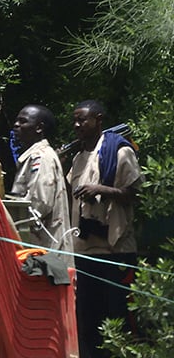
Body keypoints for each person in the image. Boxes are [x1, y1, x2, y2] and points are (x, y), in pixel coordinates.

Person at [67, 99, 142, 358]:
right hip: (85, 251)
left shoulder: (120, 152)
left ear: (99, 120)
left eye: (83, 120)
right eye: (74, 121)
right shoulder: (77, 158)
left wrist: (100, 190)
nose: (77, 125)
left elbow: (134, 194)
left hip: (115, 251)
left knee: (119, 319)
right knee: (87, 321)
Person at [9, 104, 74, 267]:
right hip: (37, 251)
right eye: (16, 121)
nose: (16, 125)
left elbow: (38, 206)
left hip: (43, 253)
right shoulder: (32, 157)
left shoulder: (41, 158)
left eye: (23, 121)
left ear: (39, 128)